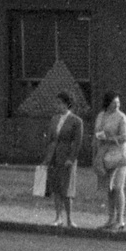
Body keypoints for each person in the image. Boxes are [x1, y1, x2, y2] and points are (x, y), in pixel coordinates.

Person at [42, 91, 84, 228]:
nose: (57, 106)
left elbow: (77, 142)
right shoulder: (54, 119)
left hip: (66, 158)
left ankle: (70, 219)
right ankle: (58, 217)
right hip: (54, 156)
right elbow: (50, 138)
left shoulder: (76, 121)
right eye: (57, 103)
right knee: (56, 188)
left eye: (60, 103)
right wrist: (47, 157)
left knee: (67, 189)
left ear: (67, 104)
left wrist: (71, 158)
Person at [93, 91, 126, 230]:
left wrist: (109, 138)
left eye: (118, 102)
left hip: (119, 154)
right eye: (114, 102)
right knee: (108, 188)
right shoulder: (101, 116)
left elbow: (125, 137)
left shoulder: (122, 118)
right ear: (107, 103)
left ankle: (120, 220)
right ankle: (110, 218)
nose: (116, 105)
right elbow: (97, 132)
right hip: (105, 153)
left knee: (117, 187)